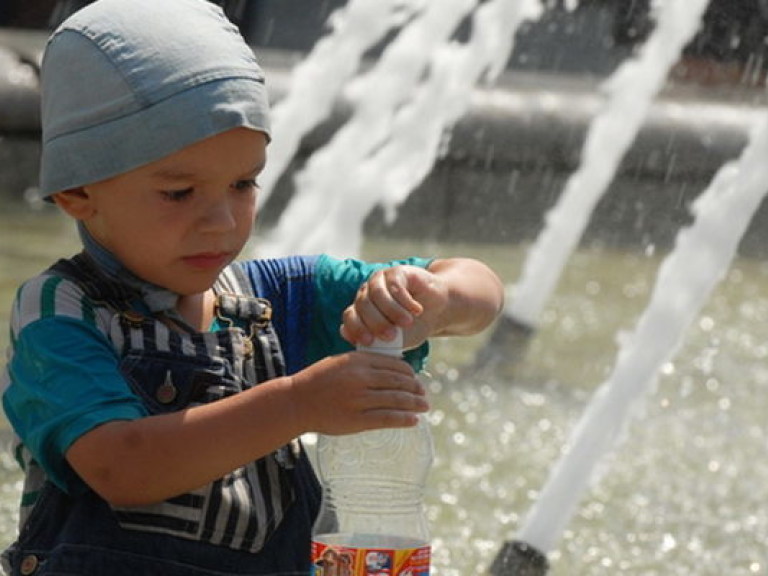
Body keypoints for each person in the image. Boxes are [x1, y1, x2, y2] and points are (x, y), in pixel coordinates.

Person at [0, 0, 505, 574]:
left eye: (243, 183)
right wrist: (297, 403)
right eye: (179, 193)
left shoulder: (278, 300)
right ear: (78, 194)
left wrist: (432, 301)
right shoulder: (61, 312)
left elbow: (480, 289)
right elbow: (123, 466)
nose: (222, 221)